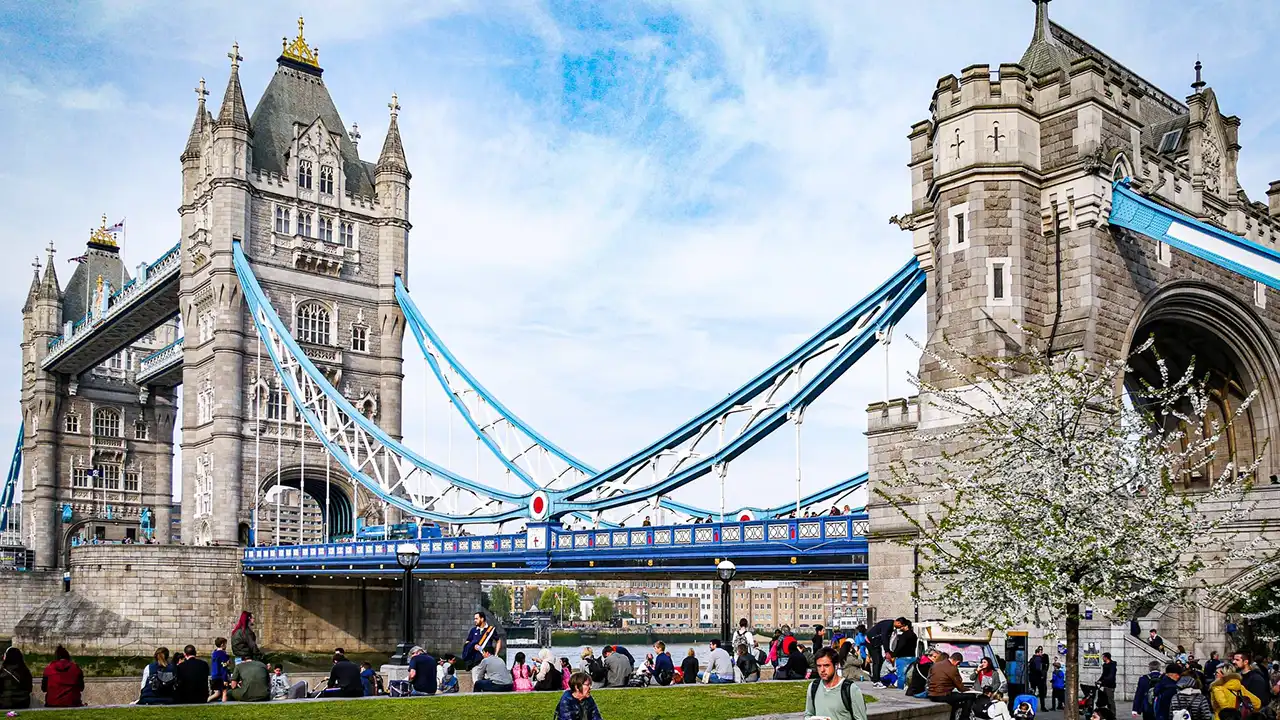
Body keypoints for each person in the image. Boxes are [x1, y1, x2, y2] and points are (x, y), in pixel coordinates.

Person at [806, 647, 868, 720]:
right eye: (819, 666)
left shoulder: (851, 689)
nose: (822, 670)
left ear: (836, 665)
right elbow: (808, 715)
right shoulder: (813, 687)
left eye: (826, 665)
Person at [928, 652, 970, 720]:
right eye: (958, 664)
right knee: (970, 696)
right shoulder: (952, 668)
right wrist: (970, 690)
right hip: (942, 695)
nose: (958, 665)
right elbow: (961, 688)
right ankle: (964, 718)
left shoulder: (936, 665)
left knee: (955, 700)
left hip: (932, 695)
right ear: (957, 661)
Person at [890, 618, 919, 689]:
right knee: (909, 675)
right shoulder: (914, 635)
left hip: (902, 657)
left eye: (902, 626)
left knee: (901, 676)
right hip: (912, 657)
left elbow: (900, 646)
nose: (900, 627)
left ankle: (900, 690)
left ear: (906, 626)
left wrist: (893, 655)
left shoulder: (904, 635)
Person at [867, 616, 894, 687]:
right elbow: (885, 637)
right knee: (877, 661)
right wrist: (887, 651)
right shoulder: (888, 625)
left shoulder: (890, 626)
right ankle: (876, 681)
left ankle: (877, 679)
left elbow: (887, 639)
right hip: (871, 643)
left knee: (880, 660)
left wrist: (887, 650)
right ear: (898, 623)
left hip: (876, 644)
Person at [209, 637, 231, 702]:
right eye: (225, 644)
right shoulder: (223, 654)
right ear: (222, 644)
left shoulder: (214, 653)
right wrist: (225, 679)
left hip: (214, 676)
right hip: (221, 676)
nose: (226, 646)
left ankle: (207, 700)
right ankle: (224, 705)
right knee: (225, 692)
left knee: (217, 693)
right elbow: (223, 667)